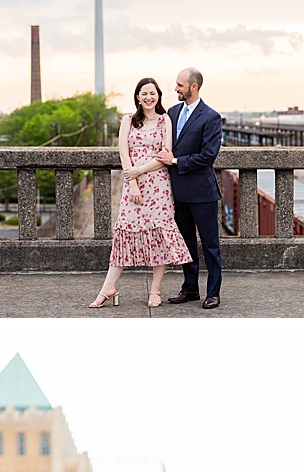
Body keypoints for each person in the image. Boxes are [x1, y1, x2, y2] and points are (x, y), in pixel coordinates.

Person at [87, 77, 192, 308]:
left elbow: (165, 155)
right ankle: (108, 288)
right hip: (133, 185)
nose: (148, 97)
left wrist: (139, 170)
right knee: (124, 232)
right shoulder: (128, 120)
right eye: (144, 93)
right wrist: (132, 180)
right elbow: (123, 152)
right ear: (137, 96)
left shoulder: (165, 120)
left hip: (158, 186)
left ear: (158, 96)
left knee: (159, 235)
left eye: (152, 93)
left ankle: (155, 290)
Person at [163, 67, 225, 309]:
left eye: (180, 85)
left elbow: (208, 156)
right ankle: (190, 289)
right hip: (178, 192)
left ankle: (213, 293)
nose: (176, 88)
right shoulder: (172, 112)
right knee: (186, 244)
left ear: (194, 86)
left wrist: (176, 161)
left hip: (202, 193)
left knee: (210, 245)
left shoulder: (211, 117)